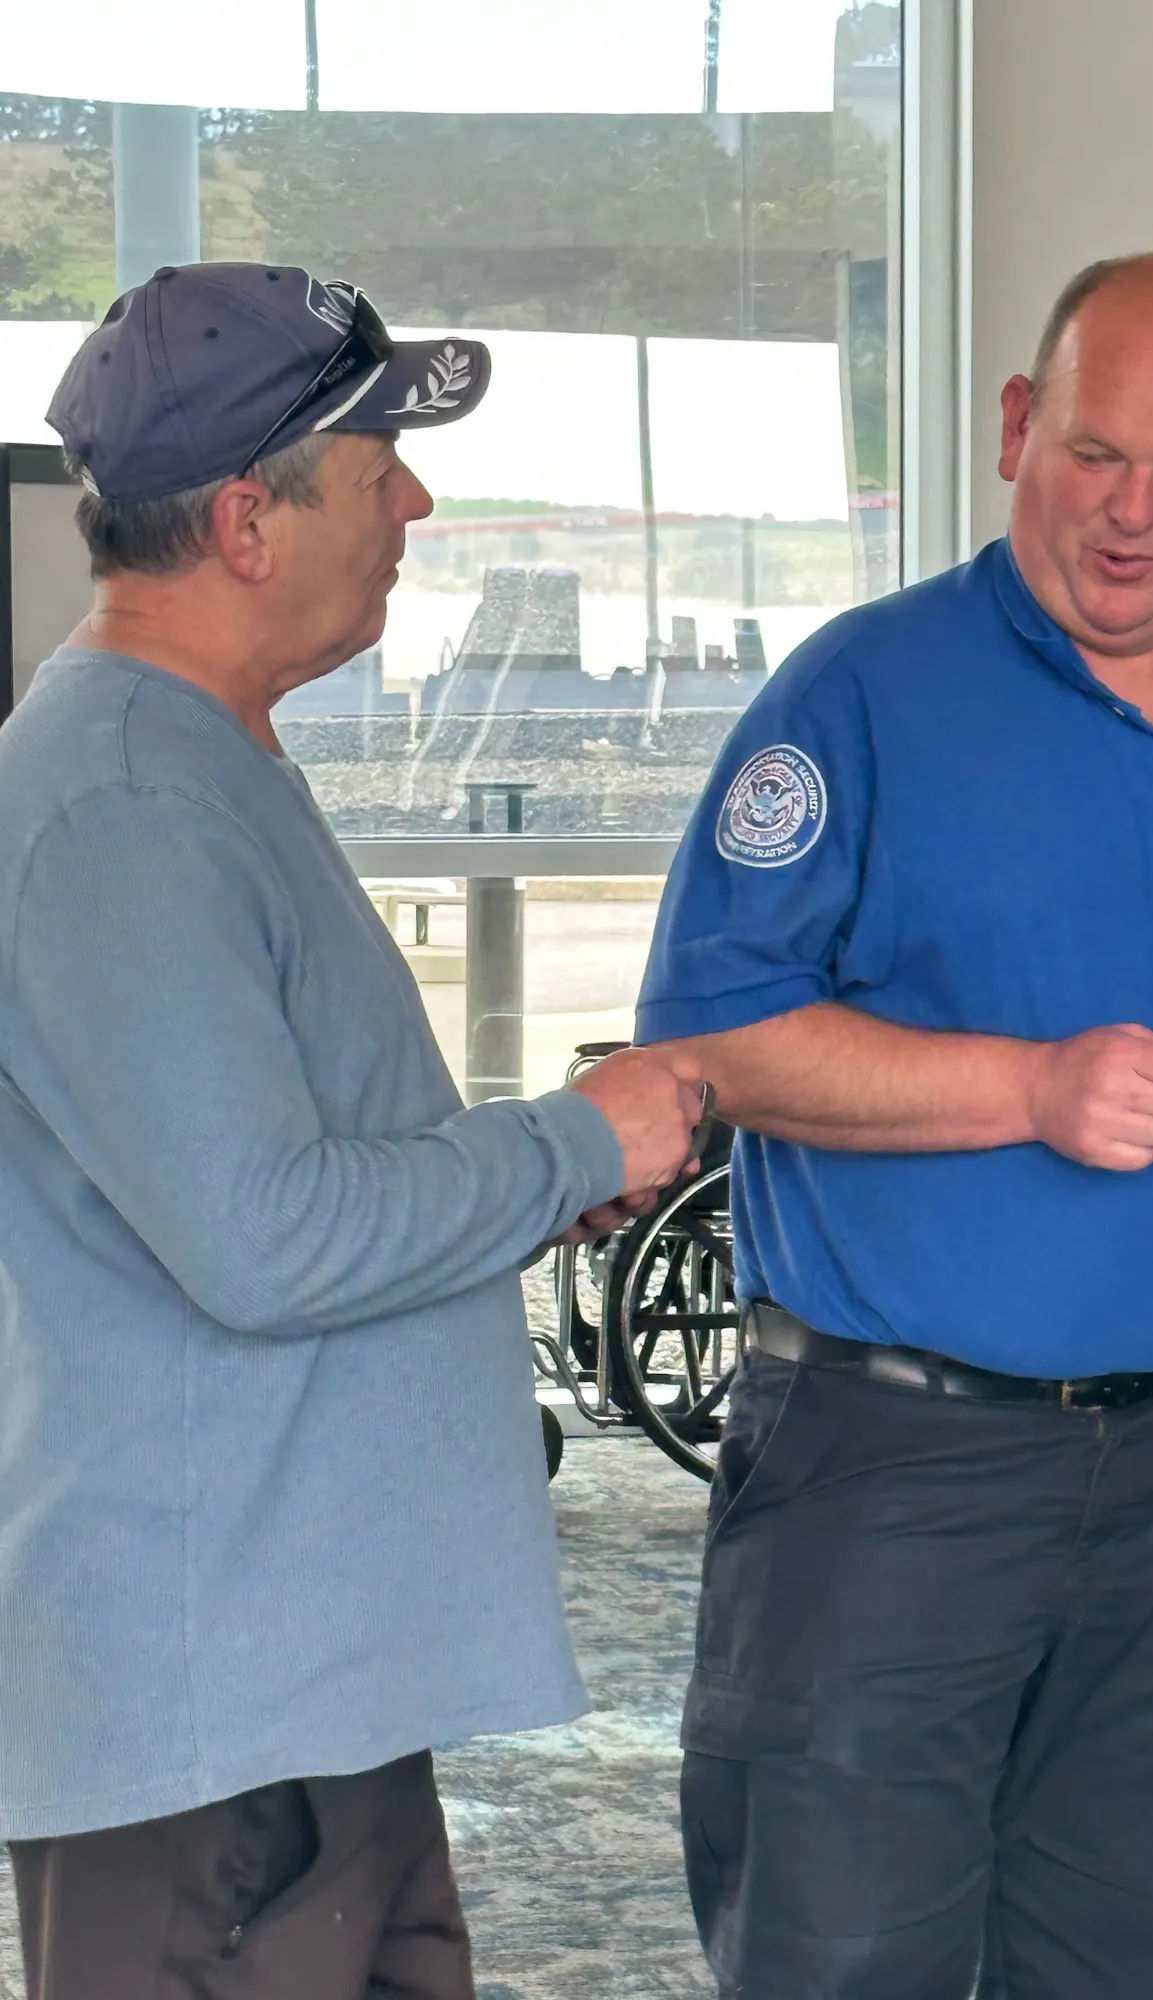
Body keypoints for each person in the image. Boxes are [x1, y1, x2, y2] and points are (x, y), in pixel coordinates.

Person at [635, 252, 1153, 1999]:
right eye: (1093, 455)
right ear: (1016, 428)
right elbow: (711, 1041)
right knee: (840, 1959)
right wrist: (1023, 1085)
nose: (1132, 516)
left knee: (1137, 1954)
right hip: (892, 1468)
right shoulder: (860, 692)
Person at [0, 262, 702, 2000]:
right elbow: (265, 1236)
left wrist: (534, 1194)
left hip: (296, 1673)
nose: (415, 497)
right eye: (376, 453)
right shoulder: (120, 802)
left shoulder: (196, 761)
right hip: (202, 1717)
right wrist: (565, 1147)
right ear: (249, 519)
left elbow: (272, 1175)